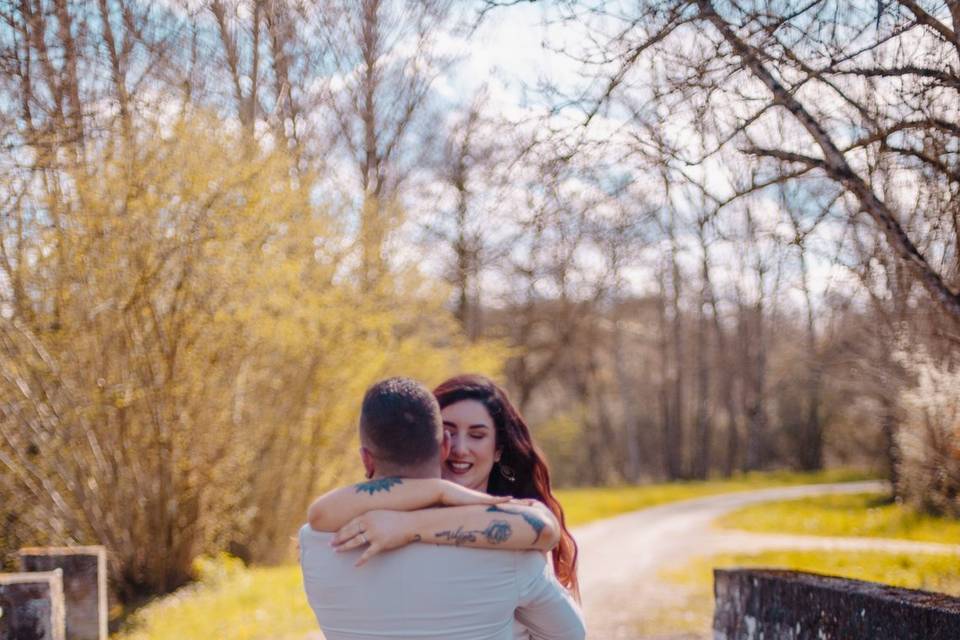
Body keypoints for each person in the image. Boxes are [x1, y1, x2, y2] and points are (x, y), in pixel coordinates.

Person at [300, 377, 585, 640]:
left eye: (477, 434)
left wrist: (409, 525)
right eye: (451, 431)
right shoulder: (509, 552)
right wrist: (438, 491)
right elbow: (570, 634)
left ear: (366, 458)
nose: (461, 448)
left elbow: (318, 516)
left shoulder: (316, 542)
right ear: (443, 444)